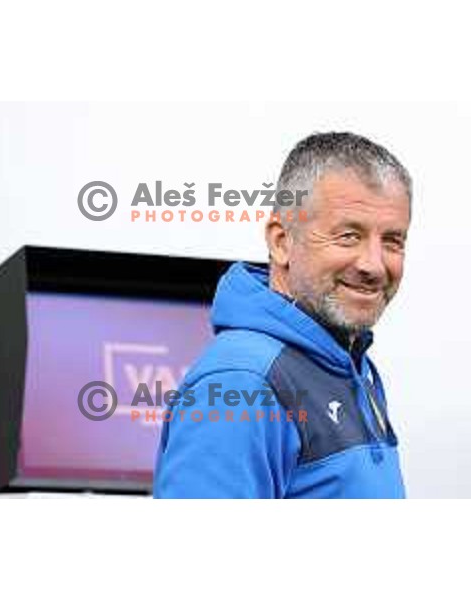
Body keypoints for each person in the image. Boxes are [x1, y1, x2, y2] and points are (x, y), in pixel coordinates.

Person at [153, 131, 412, 498]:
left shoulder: (349, 363)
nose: (373, 264)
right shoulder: (241, 384)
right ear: (281, 241)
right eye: (348, 236)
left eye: (392, 241)